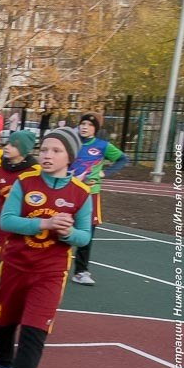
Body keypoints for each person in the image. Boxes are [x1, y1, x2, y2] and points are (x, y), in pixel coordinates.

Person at [0, 127, 92, 368]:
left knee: (34, 333)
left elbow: (85, 237)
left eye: (56, 151)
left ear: (69, 157)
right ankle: (3, 367)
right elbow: (7, 220)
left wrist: (68, 233)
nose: (47, 155)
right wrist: (44, 223)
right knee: (5, 323)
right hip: (15, 265)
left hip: (50, 272)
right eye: (44, 149)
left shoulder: (81, 193)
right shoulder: (25, 182)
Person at [69, 113, 128, 286]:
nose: (84, 127)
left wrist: (105, 173)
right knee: (59, 227)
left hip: (90, 194)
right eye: (82, 123)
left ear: (95, 129)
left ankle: (80, 271)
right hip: (68, 192)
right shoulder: (71, 142)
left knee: (87, 232)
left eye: (89, 125)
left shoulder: (102, 146)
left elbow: (122, 159)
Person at [0, 130, 39, 259]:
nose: (6, 147)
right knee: (4, 262)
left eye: (13, 145)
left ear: (23, 149)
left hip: (25, 230)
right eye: (7, 143)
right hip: (3, 228)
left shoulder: (36, 172)